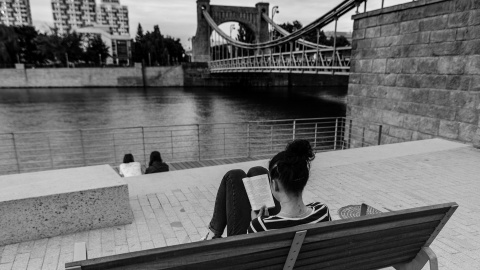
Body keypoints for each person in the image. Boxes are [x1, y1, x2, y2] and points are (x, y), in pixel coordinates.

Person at [203, 139, 331, 239]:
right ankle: (212, 232)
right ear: (304, 180)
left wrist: (257, 221)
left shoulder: (260, 226)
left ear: (274, 185)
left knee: (233, 176)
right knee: (258, 171)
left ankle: (212, 233)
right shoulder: (323, 211)